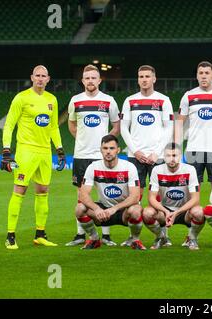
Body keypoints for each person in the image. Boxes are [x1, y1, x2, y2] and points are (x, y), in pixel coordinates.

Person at [1, 65, 65, 250]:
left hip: (45, 152)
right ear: (31, 77)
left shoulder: (51, 99)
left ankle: (40, 234)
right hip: (26, 151)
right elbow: (9, 125)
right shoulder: (21, 98)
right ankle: (10, 236)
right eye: (37, 75)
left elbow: (53, 127)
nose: (40, 78)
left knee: (43, 191)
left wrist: (59, 149)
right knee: (19, 190)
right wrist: (6, 151)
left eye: (43, 76)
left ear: (48, 79)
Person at [65, 64, 120, 247]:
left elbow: (116, 126)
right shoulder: (75, 101)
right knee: (81, 195)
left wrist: (105, 146)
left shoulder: (109, 101)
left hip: (101, 156)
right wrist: (82, 140)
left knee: (105, 194)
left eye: (93, 78)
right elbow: (72, 125)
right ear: (82, 81)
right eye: (87, 78)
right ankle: (81, 233)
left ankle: (106, 235)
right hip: (81, 155)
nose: (90, 81)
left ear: (99, 80)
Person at [121, 65, 174, 246]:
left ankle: (163, 235)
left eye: (147, 76)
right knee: (134, 197)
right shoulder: (130, 101)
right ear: (138, 79)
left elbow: (169, 128)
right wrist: (135, 151)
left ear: (154, 78)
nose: (144, 79)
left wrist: (156, 152)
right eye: (141, 76)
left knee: (158, 196)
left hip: (156, 156)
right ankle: (134, 236)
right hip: (134, 156)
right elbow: (123, 128)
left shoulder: (163, 100)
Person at [76, 134, 145, 250]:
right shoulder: (93, 167)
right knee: (79, 208)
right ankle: (94, 239)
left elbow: (135, 197)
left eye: (112, 148)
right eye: (105, 148)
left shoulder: (129, 167)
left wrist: (115, 208)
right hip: (103, 210)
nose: (108, 152)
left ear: (118, 150)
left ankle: (135, 240)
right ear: (101, 150)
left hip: (123, 210)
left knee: (136, 210)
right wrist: (97, 208)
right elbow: (83, 194)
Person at [141, 143, 204, 250]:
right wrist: (165, 211)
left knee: (199, 212)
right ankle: (161, 237)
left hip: (185, 211)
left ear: (180, 156)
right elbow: (151, 198)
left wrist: (177, 213)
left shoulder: (190, 169)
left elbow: (195, 198)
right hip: (164, 210)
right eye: (168, 156)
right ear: (164, 157)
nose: (172, 159)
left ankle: (192, 239)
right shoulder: (157, 170)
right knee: (147, 213)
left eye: (174, 155)